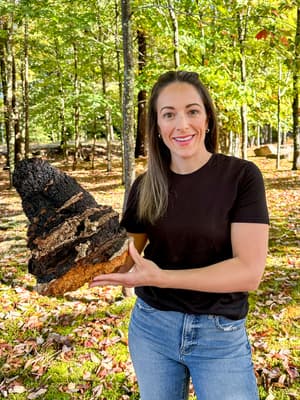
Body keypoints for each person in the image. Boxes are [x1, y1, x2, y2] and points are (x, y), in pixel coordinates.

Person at [90, 70, 269, 400]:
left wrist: (162, 277)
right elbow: (122, 261)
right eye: (168, 114)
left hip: (220, 336)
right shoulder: (145, 187)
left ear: (208, 118)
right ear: (157, 127)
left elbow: (249, 273)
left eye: (192, 111)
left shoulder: (242, 177)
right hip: (152, 330)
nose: (182, 125)